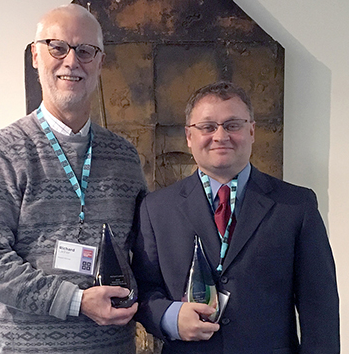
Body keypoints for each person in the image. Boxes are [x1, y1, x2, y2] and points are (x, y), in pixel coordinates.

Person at [0, 4, 147, 354]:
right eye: (57, 47)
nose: (71, 61)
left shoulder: (124, 156)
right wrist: (76, 301)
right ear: (35, 56)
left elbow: (143, 252)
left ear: (101, 63)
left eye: (85, 50)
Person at [132, 81, 340, 354]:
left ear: (251, 131)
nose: (220, 136)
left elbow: (320, 307)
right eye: (207, 127)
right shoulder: (156, 208)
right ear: (188, 136)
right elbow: (143, 291)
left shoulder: (295, 205)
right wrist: (170, 316)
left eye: (232, 125)